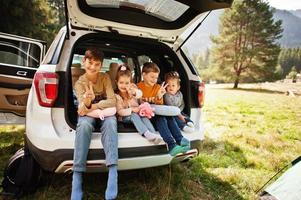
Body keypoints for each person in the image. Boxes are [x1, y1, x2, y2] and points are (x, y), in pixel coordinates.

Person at [72, 47, 118, 200]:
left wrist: (94, 105)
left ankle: (113, 172)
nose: (93, 67)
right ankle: (77, 176)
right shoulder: (79, 83)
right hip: (89, 112)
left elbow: (112, 100)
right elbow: (82, 109)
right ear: (83, 62)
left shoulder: (104, 78)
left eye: (97, 64)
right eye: (90, 63)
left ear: (101, 66)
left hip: (104, 112)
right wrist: (87, 100)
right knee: (84, 125)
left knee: (111, 124)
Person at [137, 62, 190, 156]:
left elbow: (160, 106)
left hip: (157, 112)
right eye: (152, 77)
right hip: (146, 116)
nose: (154, 80)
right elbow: (137, 104)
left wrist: (159, 96)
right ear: (143, 74)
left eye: (156, 77)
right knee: (161, 118)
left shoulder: (158, 87)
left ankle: (180, 139)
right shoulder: (138, 87)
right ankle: (171, 145)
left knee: (169, 117)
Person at [115, 65, 162, 144]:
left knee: (144, 117)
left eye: (127, 83)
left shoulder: (133, 89)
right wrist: (132, 110)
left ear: (131, 83)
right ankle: (145, 133)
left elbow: (140, 94)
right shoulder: (117, 96)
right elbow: (120, 111)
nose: (124, 85)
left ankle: (153, 134)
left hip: (138, 113)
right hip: (124, 117)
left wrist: (134, 92)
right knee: (134, 115)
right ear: (117, 82)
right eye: (121, 83)